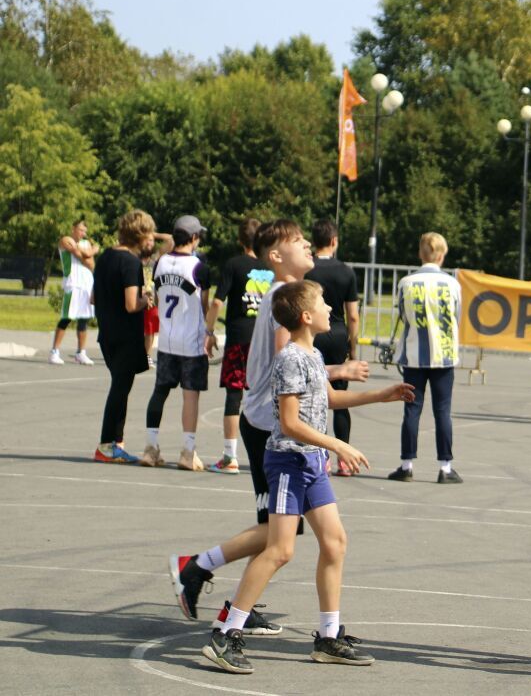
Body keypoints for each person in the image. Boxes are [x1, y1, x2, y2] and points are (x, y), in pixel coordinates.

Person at [201, 280, 412, 674]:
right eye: (323, 302)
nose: (330, 307)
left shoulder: (312, 355)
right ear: (306, 316)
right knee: (281, 550)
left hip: (311, 464)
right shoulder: (289, 359)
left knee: (335, 542)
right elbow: (289, 423)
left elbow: (328, 398)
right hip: (288, 463)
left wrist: (382, 395)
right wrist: (338, 445)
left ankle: (328, 638)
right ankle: (225, 633)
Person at [169, 220, 369, 635]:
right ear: (276, 256)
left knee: (284, 531)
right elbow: (288, 361)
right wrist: (340, 369)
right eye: (297, 242)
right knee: (280, 535)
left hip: (269, 422)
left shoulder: (286, 294)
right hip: (269, 425)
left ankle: (229, 593)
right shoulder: (285, 298)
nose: (306, 246)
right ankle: (201, 572)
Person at [388, 232, 463, 484]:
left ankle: (406, 464)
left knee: (412, 408)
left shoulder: (406, 283)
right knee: (443, 411)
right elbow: (456, 315)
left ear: (421, 254)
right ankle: (445, 467)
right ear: (442, 255)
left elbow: (401, 315)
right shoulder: (452, 284)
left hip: (413, 354)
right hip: (443, 355)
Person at [140, 215, 213, 471]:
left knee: (159, 392)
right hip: (191, 342)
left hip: (167, 340)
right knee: (190, 396)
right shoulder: (198, 267)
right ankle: (187, 451)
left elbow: (159, 300)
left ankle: (150, 447)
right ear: (193, 238)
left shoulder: (160, 263)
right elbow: (203, 305)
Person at [204, 218, 270, 474]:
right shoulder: (269, 267)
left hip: (239, 336)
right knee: (264, 394)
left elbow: (217, 302)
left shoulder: (233, 265)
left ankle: (230, 455)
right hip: (263, 339)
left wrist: (209, 331)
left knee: (234, 393)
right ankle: (266, 453)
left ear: (240, 240)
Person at [91, 211, 158, 463]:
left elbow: (93, 297)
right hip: (126, 334)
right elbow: (132, 304)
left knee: (120, 387)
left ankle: (115, 441)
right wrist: (147, 299)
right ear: (140, 235)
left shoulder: (105, 257)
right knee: (119, 390)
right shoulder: (130, 263)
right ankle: (106, 443)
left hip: (107, 333)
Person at [304, 220, 361, 474]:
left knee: (314, 396)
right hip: (337, 333)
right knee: (338, 398)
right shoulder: (346, 272)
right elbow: (354, 315)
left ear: (314, 241)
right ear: (335, 241)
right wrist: (353, 348)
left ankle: (320, 455)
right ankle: (345, 458)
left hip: (313, 332)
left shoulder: (307, 269)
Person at [50, 218, 98, 366]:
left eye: (85, 230)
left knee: (84, 319)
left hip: (86, 284)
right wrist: (90, 252)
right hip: (73, 284)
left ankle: (81, 352)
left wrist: (88, 252)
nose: (83, 232)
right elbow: (77, 254)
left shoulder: (85, 243)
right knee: (66, 317)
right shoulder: (65, 240)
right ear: (73, 228)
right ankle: (54, 352)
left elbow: (91, 263)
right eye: (80, 229)